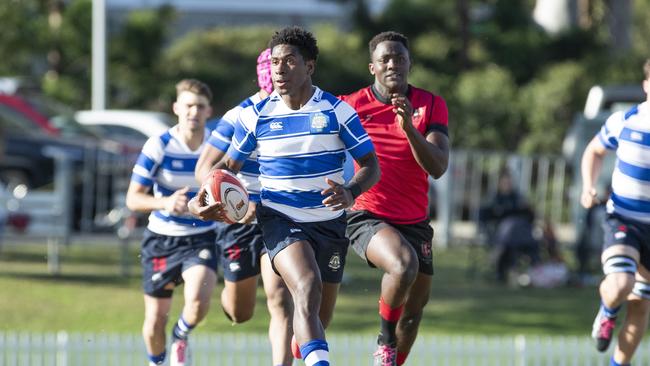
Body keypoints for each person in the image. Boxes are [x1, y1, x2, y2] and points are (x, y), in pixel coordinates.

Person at [190, 26, 380, 366]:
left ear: (309, 66)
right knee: (306, 287)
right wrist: (199, 200)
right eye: (275, 62)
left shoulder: (337, 112)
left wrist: (351, 191)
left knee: (320, 313)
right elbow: (227, 166)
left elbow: (371, 165)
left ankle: (303, 349)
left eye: (289, 61)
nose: (279, 69)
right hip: (279, 220)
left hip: (330, 226)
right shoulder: (256, 115)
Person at [339, 31, 450, 366]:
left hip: (415, 221)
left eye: (399, 58)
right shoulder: (349, 105)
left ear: (409, 64)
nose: (392, 64)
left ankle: (392, 359)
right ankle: (384, 342)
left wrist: (409, 129)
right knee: (403, 265)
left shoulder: (430, 104)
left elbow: (438, 166)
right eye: (384, 59)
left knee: (414, 313)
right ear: (372, 67)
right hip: (367, 214)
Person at [194, 48, 294, 366]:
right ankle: (227, 295)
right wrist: (229, 199)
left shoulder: (298, 112)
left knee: (280, 297)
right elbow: (204, 167)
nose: (277, 73)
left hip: (278, 217)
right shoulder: (240, 113)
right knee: (241, 312)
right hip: (238, 220)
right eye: (271, 66)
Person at [126, 79, 218, 366]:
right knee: (154, 321)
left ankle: (181, 334)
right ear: (176, 108)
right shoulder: (160, 145)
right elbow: (133, 199)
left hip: (202, 237)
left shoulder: (215, 147)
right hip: (161, 240)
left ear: (208, 111)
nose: (193, 111)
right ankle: (156, 362)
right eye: (188, 105)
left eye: (199, 106)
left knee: (199, 303)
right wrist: (166, 203)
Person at [582, 59, 650, 366]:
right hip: (624, 218)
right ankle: (607, 312)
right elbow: (594, 150)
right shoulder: (626, 120)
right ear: (647, 86)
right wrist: (588, 186)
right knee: (621, 284)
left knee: (639, 305)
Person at [479, 170, 541, 284]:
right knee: (509, 227)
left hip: (518, 234)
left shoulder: (518, 198)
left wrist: (527, 209)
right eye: (505, 182)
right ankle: (509, 268)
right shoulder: (494, 199)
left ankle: (497, 253)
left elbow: (530, 217)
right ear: (499, 184)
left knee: (512, 225)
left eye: (509, 183)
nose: (507, 185)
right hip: (499, 233)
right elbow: (485, 218)